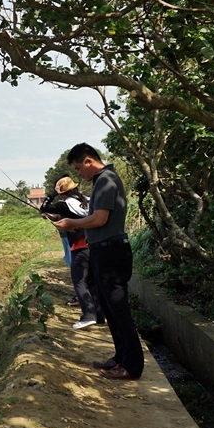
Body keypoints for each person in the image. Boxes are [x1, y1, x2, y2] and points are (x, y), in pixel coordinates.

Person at [53, 144, 144, 380]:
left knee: (119, 311)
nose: (78, 174)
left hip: (111, 253)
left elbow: (99, 219)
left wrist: (71, 224)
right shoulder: (101, 181)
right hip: (102, 252)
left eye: (78, 168)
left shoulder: (106, 180)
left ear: (89, 161)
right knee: (111, 310)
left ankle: (132, 366)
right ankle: (120, 357)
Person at [41, 176, 105, 330]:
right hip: (95, 246)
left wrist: (52, 194)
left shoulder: (65, 204)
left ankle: (88, 316)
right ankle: (99, 316)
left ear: (62, 192)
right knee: (91, 281)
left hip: (80, 247)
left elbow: (44, 207)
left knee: (79, 281)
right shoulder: (87, 200)